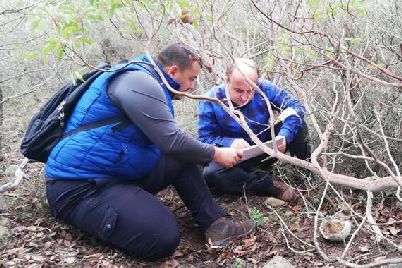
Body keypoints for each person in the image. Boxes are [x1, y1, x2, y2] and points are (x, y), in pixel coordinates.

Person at [44, 44, 255, 261]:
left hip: (116, 173)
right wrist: (215, 154)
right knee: (161, 239)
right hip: (79, 187)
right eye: (191, 78)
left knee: (180, 158)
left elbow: (171, 144)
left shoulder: (147, 79)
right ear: (172, 71)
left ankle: (215, 225)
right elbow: (170, 140)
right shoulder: (137, 81)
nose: (192, 86)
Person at [197, 58, 310, 203]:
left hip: (266, 148)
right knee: (212, 174)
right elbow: (204, 140)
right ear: (227, 80)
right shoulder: (210, 100)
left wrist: (284, 136)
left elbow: (295, 107)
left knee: (298, 124)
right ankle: (269, 186)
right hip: (233, 158)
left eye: (250, 91)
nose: (244, 97)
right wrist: (229, 143)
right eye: (238, 90)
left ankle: (305, 174)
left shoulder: (264, 88)